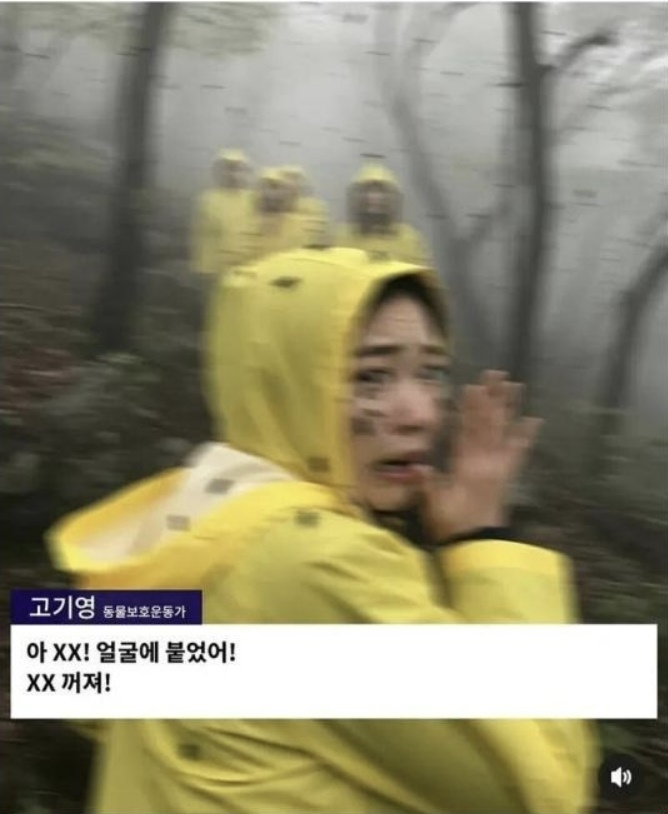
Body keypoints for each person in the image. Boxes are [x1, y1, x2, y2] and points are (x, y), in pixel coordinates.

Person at [48, 247, 598, 814]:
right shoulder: (318, 564)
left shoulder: (195, 505)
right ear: (282, 383)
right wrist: (481, 540)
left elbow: (81, 693)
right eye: (371, 377)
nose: (422, 414)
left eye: (431, 373)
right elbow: (542, 789)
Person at [335, 163, 431, 264]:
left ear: (393, 198)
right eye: (367, 191)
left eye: (381, 192)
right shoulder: (341, 236)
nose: (374, 198)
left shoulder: (410, 239)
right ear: (357, 197)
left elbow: (421, 272)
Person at [190, 148, 255, 279]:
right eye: (228, 169)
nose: (233, 174)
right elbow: (198, 235)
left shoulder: (254, 199)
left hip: (244, 269)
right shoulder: (207, 199)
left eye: (238, 169)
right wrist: (201, 265)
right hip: (211, 269)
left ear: (246, 173)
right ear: (219, 172)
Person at [246, 168, 313, 260]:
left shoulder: (299, 226)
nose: (270, 194)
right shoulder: (246, 224)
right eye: (265, 187)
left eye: (275, 187)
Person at [278, 164, 330, 245]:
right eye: (287, 178)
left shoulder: (315, 208)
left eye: (295, 178)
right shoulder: (273, 210)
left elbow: (319, 239)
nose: (291, 183)